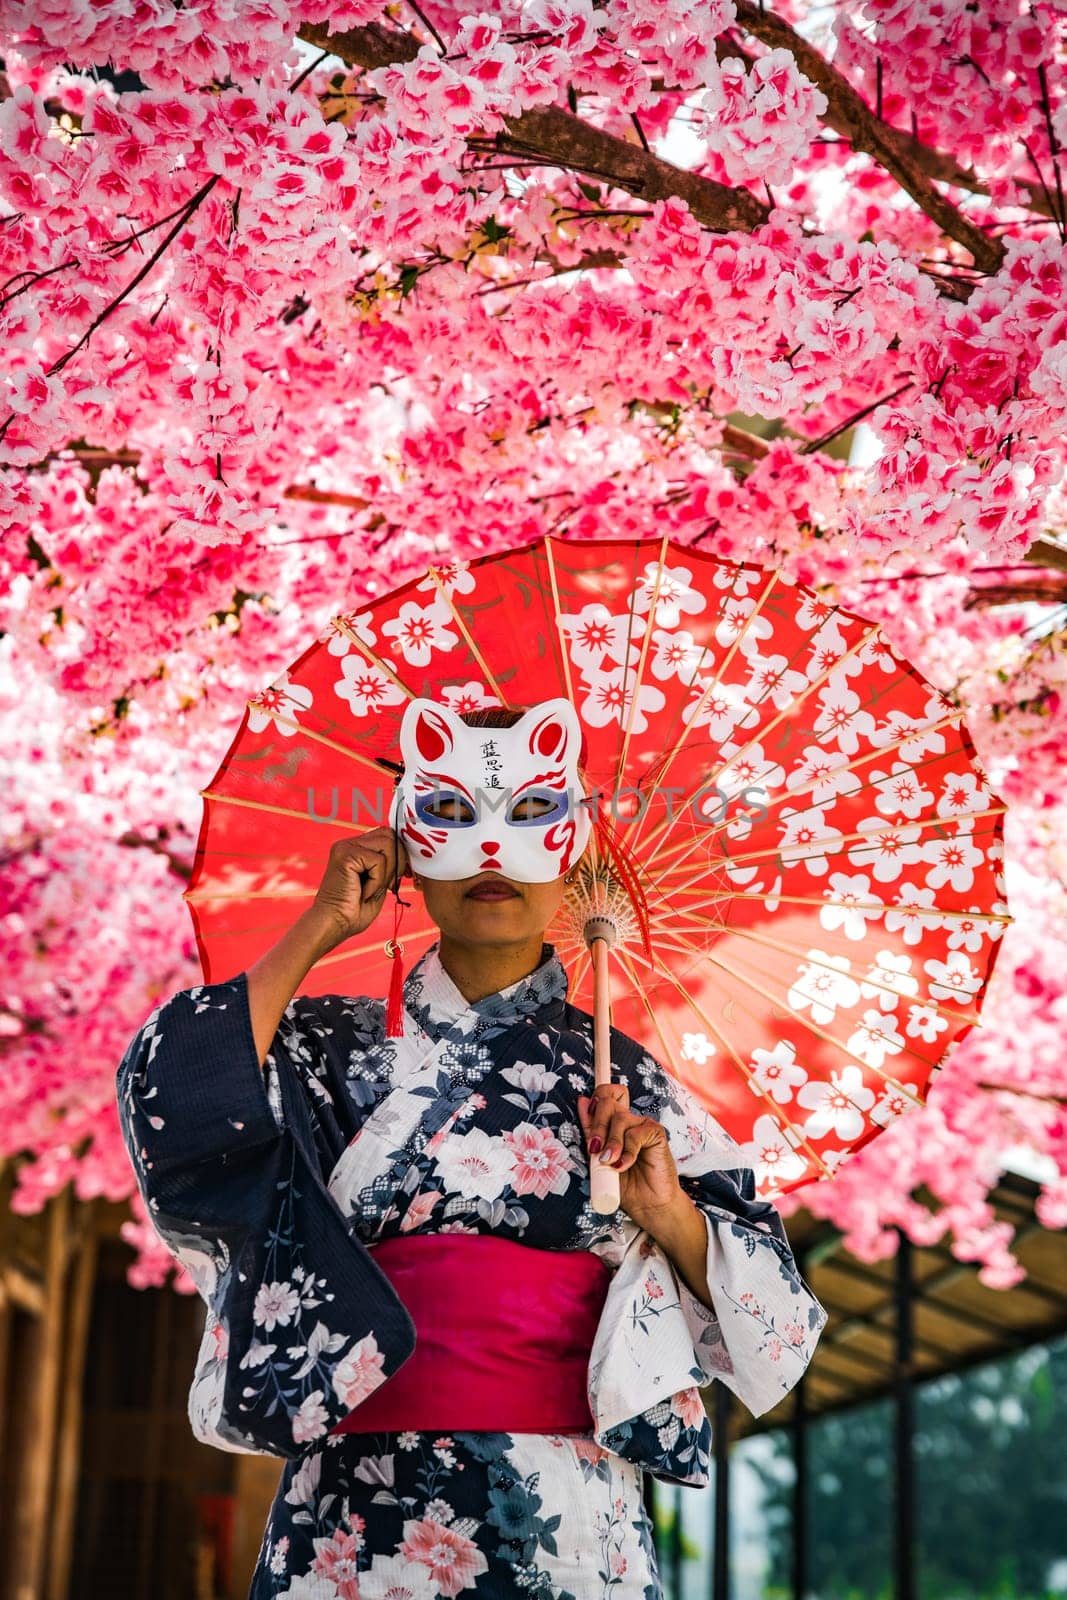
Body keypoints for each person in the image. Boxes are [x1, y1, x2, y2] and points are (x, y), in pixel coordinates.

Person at [116, 698, 827, 1600]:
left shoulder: (629, 1081)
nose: (491, 851)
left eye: (531, 814)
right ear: (408, 847)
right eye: (449, 813)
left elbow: (782, 1324)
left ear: (571, 856)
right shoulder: (315, 1044)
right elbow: (174, 1098)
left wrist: (667, 1212)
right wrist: (321, 925)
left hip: (565, 1504)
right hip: (352, 1504)